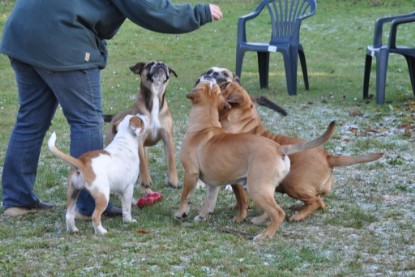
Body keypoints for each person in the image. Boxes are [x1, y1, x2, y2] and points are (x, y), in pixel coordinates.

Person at [0, 0, 223, 217]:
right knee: (86, 121)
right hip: (64, 37)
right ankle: (89, 206)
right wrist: (200, 13)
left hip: (22, 32)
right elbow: (150, 8)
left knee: (31, 120)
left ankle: (17, 201)